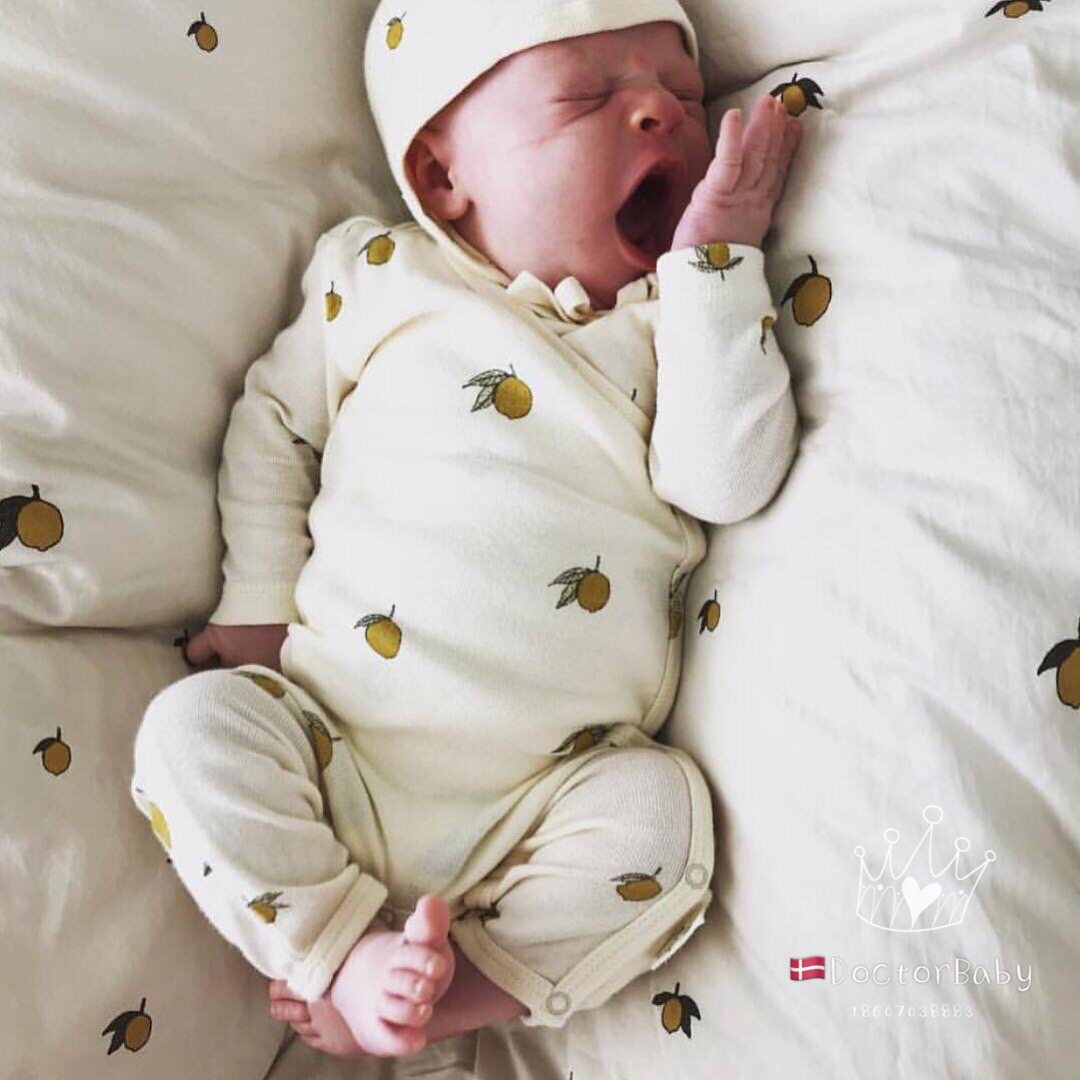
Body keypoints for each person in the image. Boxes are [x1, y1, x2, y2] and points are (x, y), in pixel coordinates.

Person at [130, 0, 802, 1060]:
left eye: (682, 92)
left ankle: (458, 993)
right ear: (444, 176)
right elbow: (276, 424)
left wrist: (720, 262)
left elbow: (727, 483)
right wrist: (257, 605)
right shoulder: (382, 275)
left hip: (551, 792)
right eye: (590, 95)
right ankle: (338, 953)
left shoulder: (672, 323)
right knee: (189, 731)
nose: (660, 115)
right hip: (331, 738)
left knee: (664, 821)